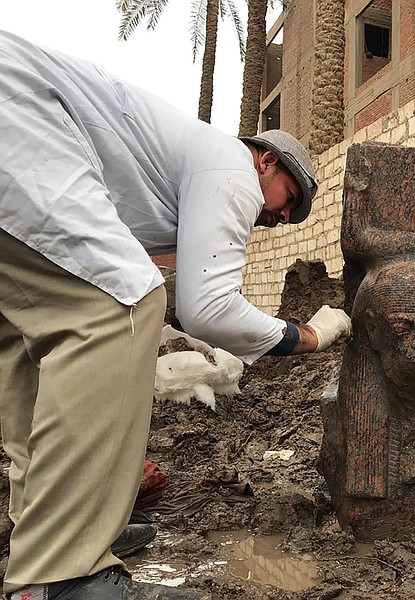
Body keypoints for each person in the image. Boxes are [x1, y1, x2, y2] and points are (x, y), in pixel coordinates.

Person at [0, 30, 351, 600]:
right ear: (265, 161)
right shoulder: (232, 168)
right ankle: (62, 576)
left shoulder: (184, 176)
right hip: (22, 127)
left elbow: (189, 300)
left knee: (27, 347)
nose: (284, 218)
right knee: (120, 304)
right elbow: (207, 309)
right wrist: (305, 336)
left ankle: (50, 531)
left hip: (17, 139)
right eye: (291, 198)